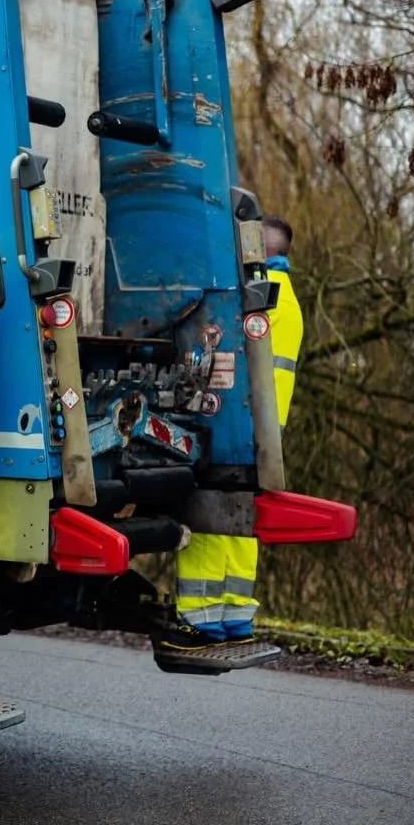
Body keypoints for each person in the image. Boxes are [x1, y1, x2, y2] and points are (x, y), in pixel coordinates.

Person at [161, 213, 303, 651]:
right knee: (239, 524)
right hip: (263, 434)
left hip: (235, 426)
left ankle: (198, 620)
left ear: (261, 248)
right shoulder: (286, 298)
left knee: (207, 519)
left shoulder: (258, 296)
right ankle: (236, 617)